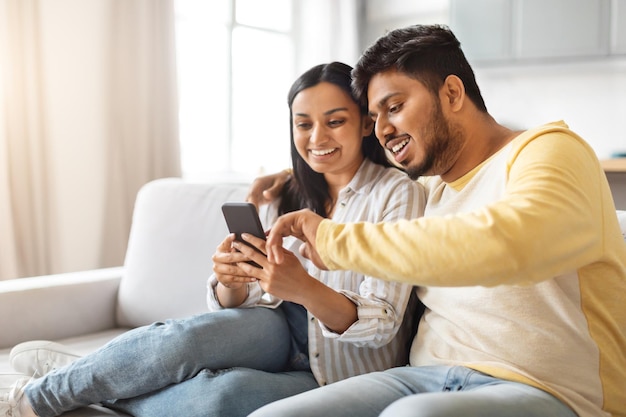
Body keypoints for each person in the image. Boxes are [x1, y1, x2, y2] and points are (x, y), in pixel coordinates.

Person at [0, 62, 425, 417]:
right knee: (180, 341)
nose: (317, 139)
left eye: (335, 121)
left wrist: (305, 288)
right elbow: (257, 298)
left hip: (343, 367)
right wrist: (230, 285)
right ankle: (36, 400)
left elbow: (383, 326)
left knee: (220, 400)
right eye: (304, 124)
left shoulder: (398, 194)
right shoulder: (285, 191)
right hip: (277, 327)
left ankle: (84, 375)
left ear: (366, 124)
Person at [246, 24, 626, 417]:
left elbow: (510, 242)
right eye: (375, 117)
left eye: (394, 108)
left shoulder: (549, 150)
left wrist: (335, 241)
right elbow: (377, 192)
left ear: (452, 93)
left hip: (550, 390)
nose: (382, 130)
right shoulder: (428, 189)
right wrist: (292, 177)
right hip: (423, 377)